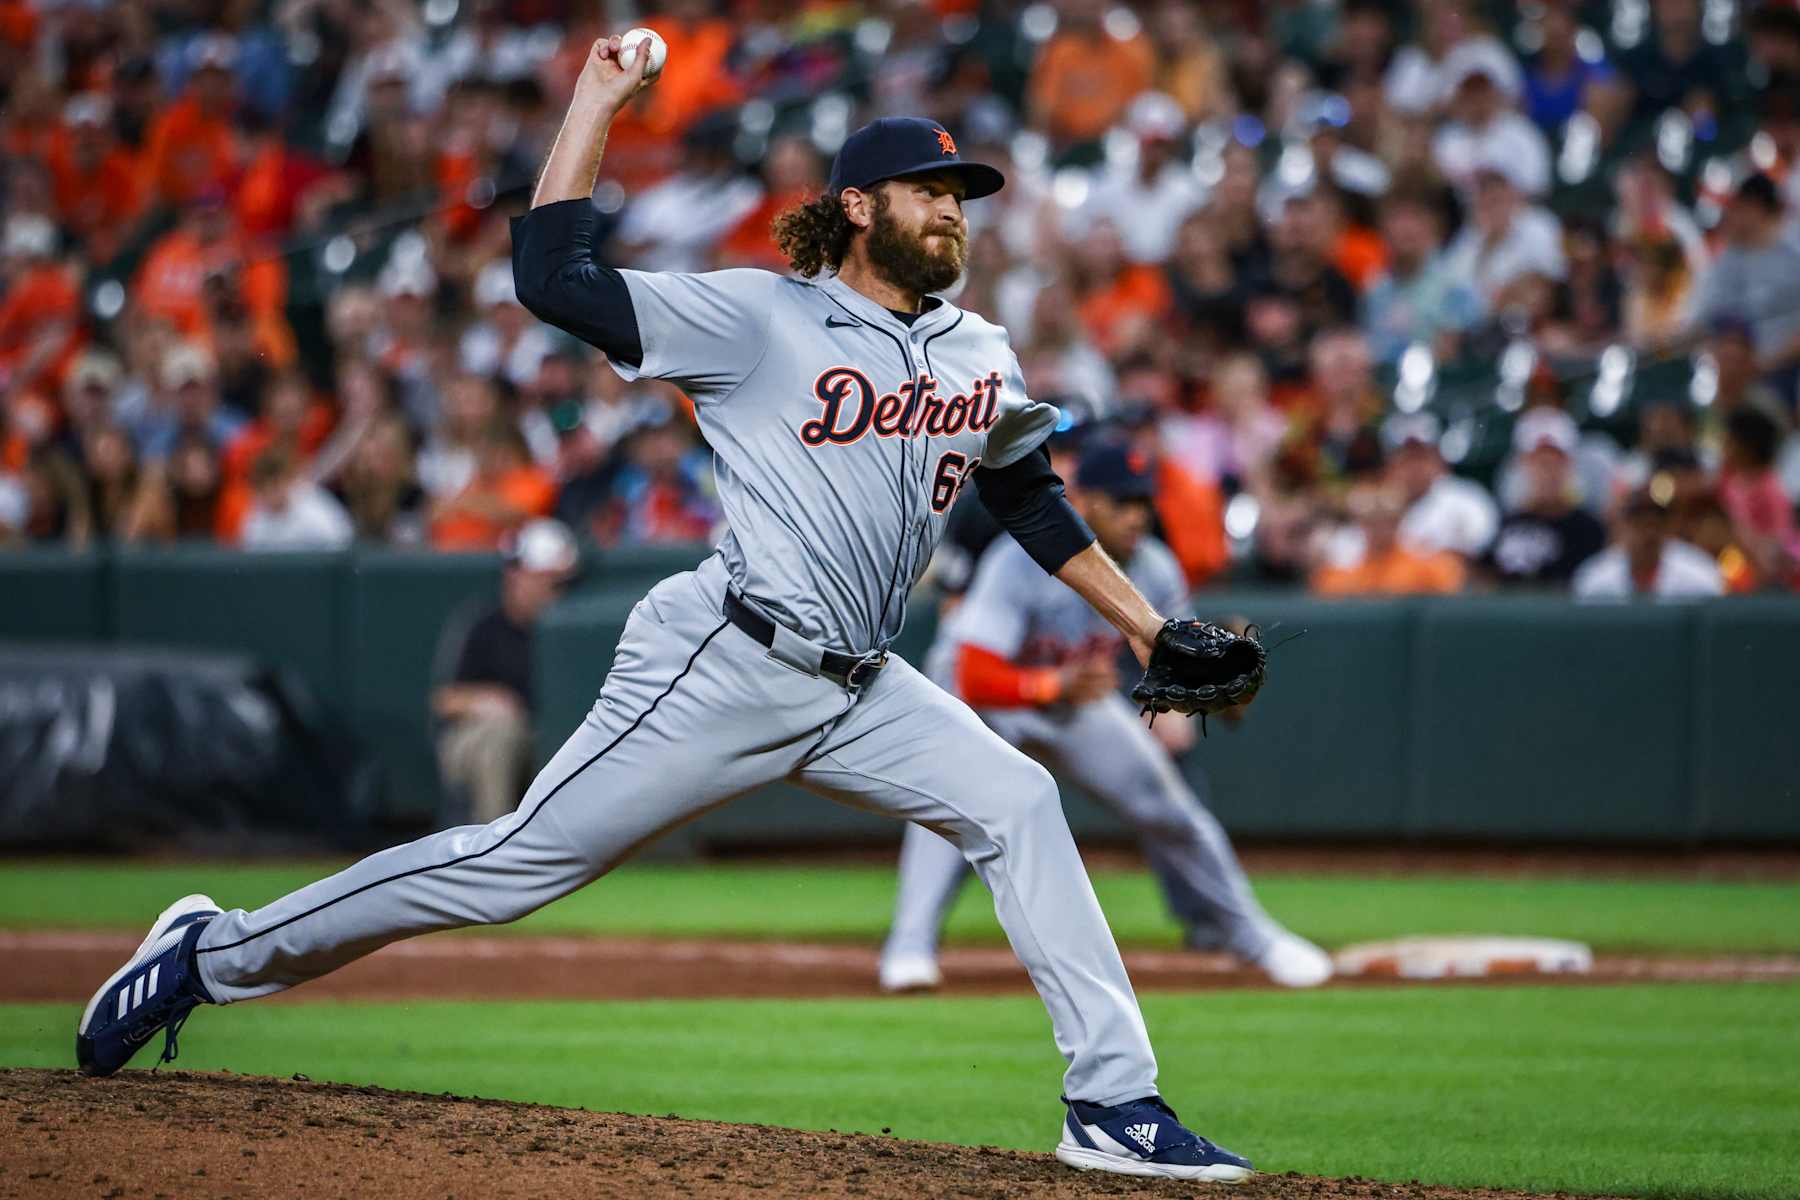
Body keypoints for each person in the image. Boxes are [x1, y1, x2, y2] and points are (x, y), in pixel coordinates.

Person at [75, 39, 1255, 1186]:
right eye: (928, 189)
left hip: (866, 685)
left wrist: (1144, 628)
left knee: (1022, 799)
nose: (953, 209)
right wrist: (595, 100)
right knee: (509, 869)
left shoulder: (977, 350)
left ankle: (1113, 1104)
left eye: (963, 193)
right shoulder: (756, 318)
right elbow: (554, 280)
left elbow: (1025, 491)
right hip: (729, 658)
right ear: (857, 207)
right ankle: (211, 954)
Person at [879, 442, 1330, 994]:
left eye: (1143, 501)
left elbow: (1166, 666)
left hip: (1073, 701)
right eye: (1122, 502)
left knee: (1167, 805)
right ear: (1086, 501)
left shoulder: (1156, 566)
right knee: (948, 819)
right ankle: (909, 947)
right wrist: (1050, 684)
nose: (1137, 514)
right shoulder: (1020, 559)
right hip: (979, 703)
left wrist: (1211, 694)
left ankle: (1253, 937)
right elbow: (974, 674)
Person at [433, 519, 578, 825]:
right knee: (500, 734)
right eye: (547, 580)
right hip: (475, 739)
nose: (554, 591)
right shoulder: (485, 626)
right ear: (516, 575)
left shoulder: (569, 631)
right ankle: (494, 844)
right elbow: (444, 700)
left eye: (562, 583)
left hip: (540, 738)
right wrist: (490, 701)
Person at [1484, 408, 1606, 587]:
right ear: (1524, 466)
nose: (1547, 472)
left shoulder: (1590, 529)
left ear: (1569, 466)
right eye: (1539, 462)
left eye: (1555, 462)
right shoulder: (1503, 526)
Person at [1572, 488, 1725, 600]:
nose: (1649, 532)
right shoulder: (1595, 577)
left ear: (1669, 527)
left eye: (1656, 523)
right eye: (1639, 523)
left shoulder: (1699, 574)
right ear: (1622, 526)